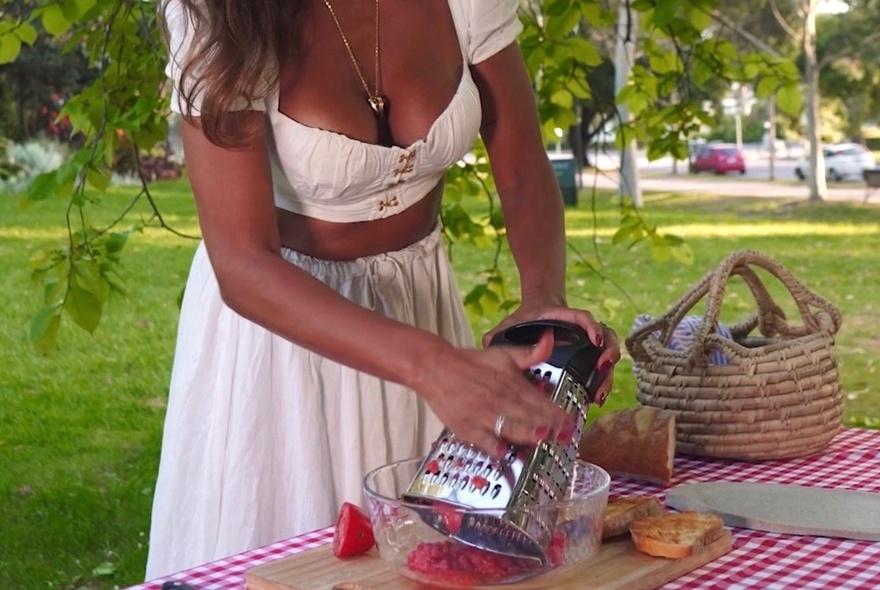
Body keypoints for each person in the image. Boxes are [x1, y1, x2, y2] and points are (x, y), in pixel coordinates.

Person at [145, 0, 621, 579]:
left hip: (423, 315)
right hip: (285, 345)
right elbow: (242, 262)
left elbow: (519, 160)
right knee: (292, 569)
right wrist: (431, 368)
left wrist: (542, 294)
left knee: (429, 563)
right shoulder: (217, 11)